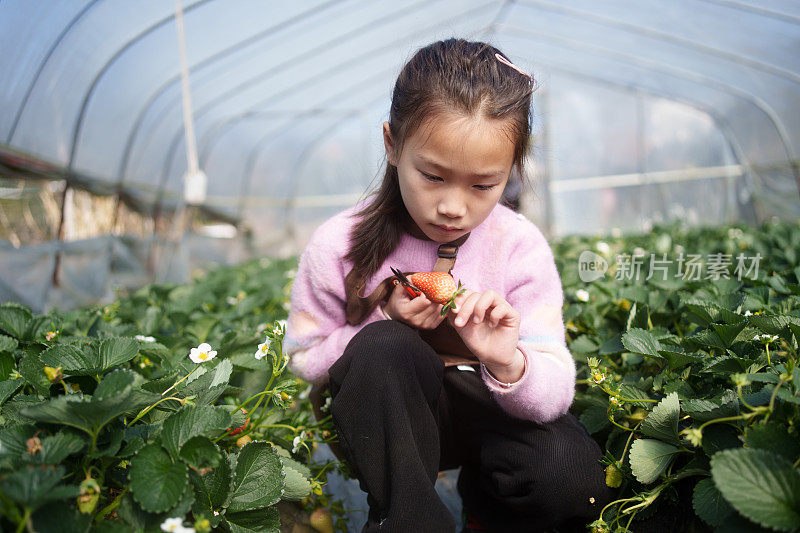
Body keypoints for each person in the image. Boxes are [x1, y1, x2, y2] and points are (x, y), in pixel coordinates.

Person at [284, 38, 612, 532]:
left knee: (571, 477)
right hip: (391, 425)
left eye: (483, 185)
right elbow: (303, 358)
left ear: (511, 173)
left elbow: (555, 392)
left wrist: (507, 360)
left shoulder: (517, 244)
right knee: (385, 348)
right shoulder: (339, 244)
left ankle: (487, 510)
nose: (454, 207)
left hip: (488, 412)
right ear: (393, 145)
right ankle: (409, 517)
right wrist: (384, 320)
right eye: (433, 176)